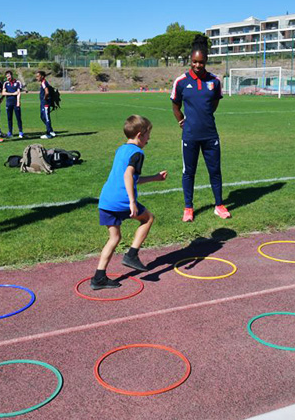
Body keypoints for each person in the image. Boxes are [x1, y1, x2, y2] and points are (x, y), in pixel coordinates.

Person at [93, 115, 167, 289]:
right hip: (122, 201)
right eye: (149, 134)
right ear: (140, 134)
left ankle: (98, 277)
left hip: (106, 200)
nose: (149, 139)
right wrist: (132, 202)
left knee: (114, 238)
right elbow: (128, 175)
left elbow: (129, 178)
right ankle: (132, 254)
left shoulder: (121, 149)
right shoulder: (138, 153)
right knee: (147, 218)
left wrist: (155, 178)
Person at [171, 34, 230, 222]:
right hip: (189, 135)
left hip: (210, 134)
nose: (198, 65)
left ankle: (219, 205)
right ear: (191, 60)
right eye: (195, 62)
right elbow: (175, 105)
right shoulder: (181, 82)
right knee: (189, 172)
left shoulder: (214, 82)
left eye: (201, 62)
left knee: (215, 171)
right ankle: (188, 207)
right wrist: (182, 120)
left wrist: (205, 117)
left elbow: (214, 103)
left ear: (206, 61)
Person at [2, 70, 23, 138]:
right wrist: (12, 93)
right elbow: (3, 93)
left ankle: (20, 131)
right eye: (7, 76)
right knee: (9, 118)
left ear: (11, 75)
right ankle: (10, 132)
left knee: (18, 117)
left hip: (15, 103)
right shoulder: (5, 83)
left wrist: (18, 101)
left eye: (9, 76)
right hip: (8, 103)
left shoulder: (17, 82)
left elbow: (18, 92)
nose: (8, 77)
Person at [37, 70, 56, 139]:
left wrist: (45, 99)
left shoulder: (44, 82)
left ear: (42, 76)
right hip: (43, 103)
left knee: (46, 118)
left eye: (38, 76)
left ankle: (49, 134)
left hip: (45, 103)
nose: (37, 78)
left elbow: (47, 92)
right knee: (42, 117)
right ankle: (51, 130)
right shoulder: (43, 82)